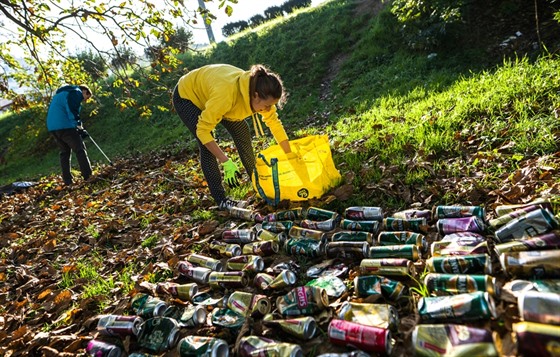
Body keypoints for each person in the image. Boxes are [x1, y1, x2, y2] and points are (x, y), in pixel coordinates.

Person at [173, 64, 292, 210]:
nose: (268, 109)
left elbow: (275, 124)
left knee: (242, 130)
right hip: (188, 95)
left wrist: (290, 156)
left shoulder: (260, 91)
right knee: (207, 146)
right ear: (255, 95)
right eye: (267, 106)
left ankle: (258, 185)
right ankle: (221, 200)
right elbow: (202, 131)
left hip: (215, 94)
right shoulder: (225, 95)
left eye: (271, 106)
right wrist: (225, 161)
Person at [46, 84, 93, 185]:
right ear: (84, 91)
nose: (85, 100)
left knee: (65, 152)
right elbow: (71, 110)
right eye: (87, 97)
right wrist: (78, 125)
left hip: (53, 127)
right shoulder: (76, 92)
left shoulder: (61, 94)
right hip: (65, 126)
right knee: (80, 149)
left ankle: (67, 181)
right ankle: (88, 176)